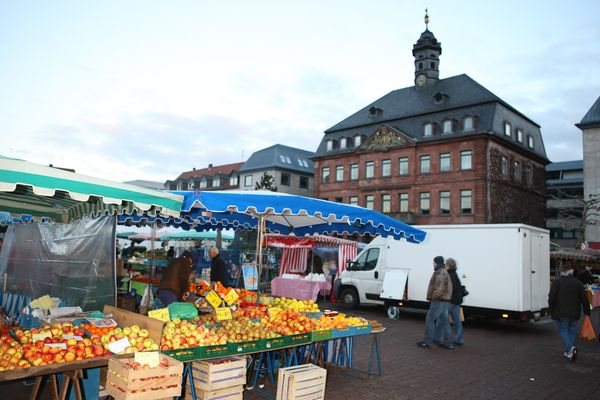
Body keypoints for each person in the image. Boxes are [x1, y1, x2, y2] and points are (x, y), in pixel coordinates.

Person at [548, 265, 590, 361]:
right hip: (575, 312)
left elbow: (551, 297)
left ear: (562, 272)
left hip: (561, 312)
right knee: (571, 331)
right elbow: (584, 298)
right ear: (572, 273)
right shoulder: (578, 283)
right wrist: (587, 311)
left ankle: (570, 348)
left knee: (563, 330)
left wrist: (551, 309)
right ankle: (569, 352)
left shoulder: (557, 283)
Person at [417, 256, 453, 349]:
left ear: (437, 263)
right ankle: (449, 343)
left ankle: (427, 341)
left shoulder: (440, 272)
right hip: (445, 301)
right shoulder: (444, 271)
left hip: (439, 301)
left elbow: (439, 289)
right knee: (445, 322)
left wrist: (434, 297)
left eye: (433, 262)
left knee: (430, 319)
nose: (433, 264)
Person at [434, 258, 464, 346]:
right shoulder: (454, 274)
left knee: (441, 320)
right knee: (457, 321)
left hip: (449, 301)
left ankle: (438, 338)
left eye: (445, 264)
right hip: (457, 301)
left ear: (447, 265)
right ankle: (459, 339)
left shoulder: (448, 275)